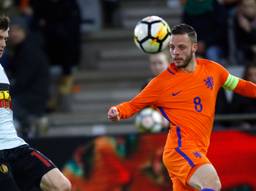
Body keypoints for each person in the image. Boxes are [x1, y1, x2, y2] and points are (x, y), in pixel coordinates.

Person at [107, 23, 256, 191]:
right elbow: (133, 105)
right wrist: (118, 111)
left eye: (181, 47)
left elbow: (241, 86)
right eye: (172, 47)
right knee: (211, 184)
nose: (175, 52)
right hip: (180, 149)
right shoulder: (161, 83)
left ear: (194, 47)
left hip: (198, 148)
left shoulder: (213, 70)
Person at [0, 15, 71, 191]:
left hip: (16, 146)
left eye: (5, 39)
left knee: (62, 186)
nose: (3, 44)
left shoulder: (1, 68)